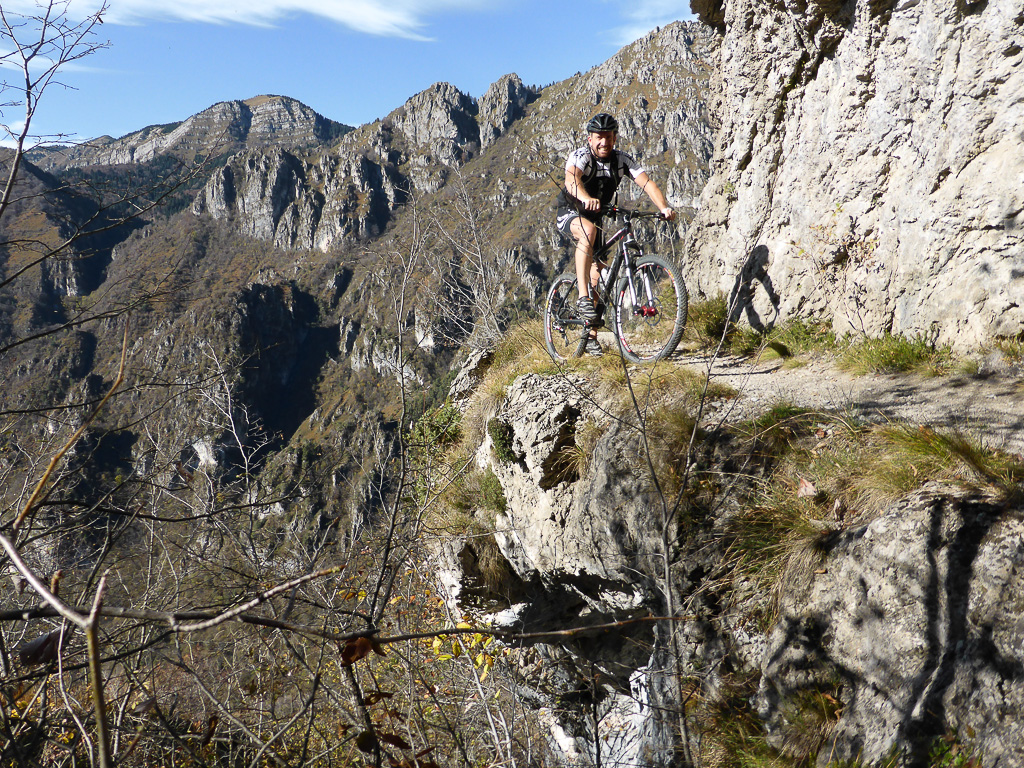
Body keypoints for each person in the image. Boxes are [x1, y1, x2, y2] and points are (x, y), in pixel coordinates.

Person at [556, 113, 676, 355]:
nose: (604, 142)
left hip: (597, 216)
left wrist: (663, 207)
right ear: (590, 139)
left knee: (599, 270)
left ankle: (590, 337)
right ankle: (582, 298)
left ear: (614, 138)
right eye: (599, 137)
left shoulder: (622, 159)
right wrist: (585, 198)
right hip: (571, 210)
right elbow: (571, 180)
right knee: (588, 231)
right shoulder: (581, 156)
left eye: (608, 137)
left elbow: (647, 183)